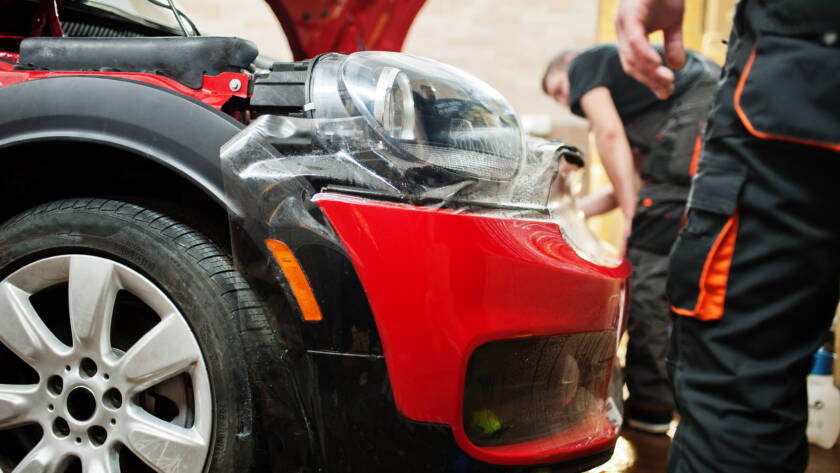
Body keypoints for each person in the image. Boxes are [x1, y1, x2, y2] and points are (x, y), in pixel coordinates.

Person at [614, 0, 840, 471]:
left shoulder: (589, 73)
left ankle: (651, 414)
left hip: (796, 96)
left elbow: (610, 139)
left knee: (741, 389)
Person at [542, 44, 719, 433]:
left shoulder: (585, 63)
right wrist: (567, 212)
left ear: (568, 66)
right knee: (663, 258)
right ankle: (662, 399)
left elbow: (607, 135)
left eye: (558, 90)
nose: (567, 102)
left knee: (647, 269)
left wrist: (633, 216)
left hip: (702, 99)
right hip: (698, 119)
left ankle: (651, 407)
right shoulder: (644, 111)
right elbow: (632, 184)